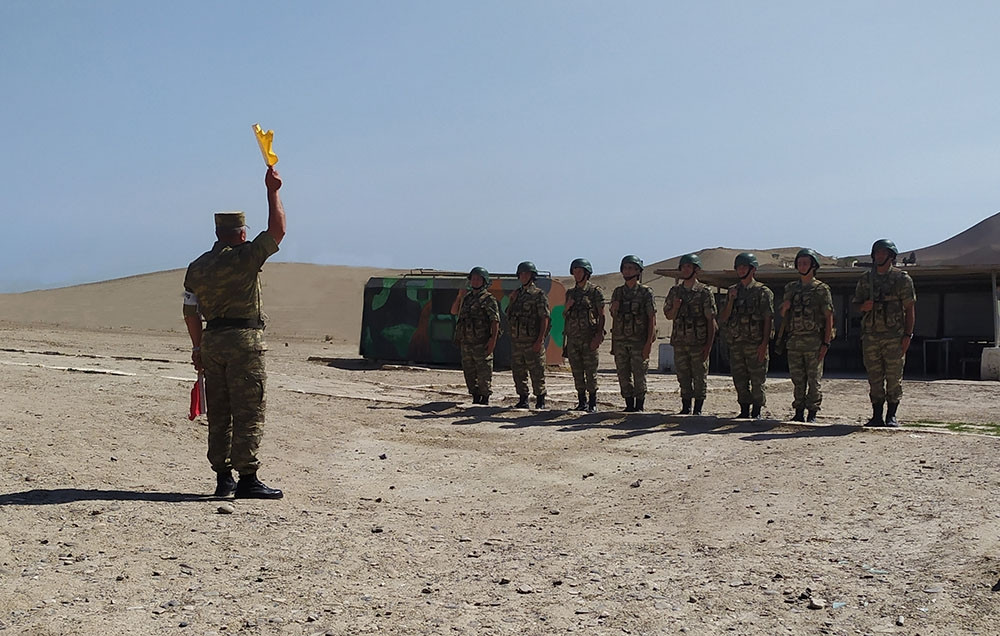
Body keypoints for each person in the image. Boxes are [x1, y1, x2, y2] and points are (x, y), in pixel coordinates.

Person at [183, 166, 286, 499]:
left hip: (212, 342)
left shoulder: (197, 266)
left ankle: (222, 478)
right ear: (242, 233)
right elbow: (278, 230)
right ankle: (248, 479)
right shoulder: (246, 258)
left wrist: (198, 349)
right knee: (248, 410)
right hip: (244, 343)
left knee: (220, 411)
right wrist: (273, 190)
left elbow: (189, 311)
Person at [852, 239, 916, 427]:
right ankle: (876, 415)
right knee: (874, 377)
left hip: (894, 336)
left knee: (894, 377)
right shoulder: (866, 279)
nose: (879, 256)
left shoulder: (902, 279)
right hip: (871, 336)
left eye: (883, 252)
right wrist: (863, 306)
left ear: (891, 256)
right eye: (877, 252)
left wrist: (908, 335)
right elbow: (856, 304)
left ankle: (892, 415)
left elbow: (910, 308)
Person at [779, 248, 834, 423]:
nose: (802, 266)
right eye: (800, 263)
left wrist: (826, 343)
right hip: (794, 341)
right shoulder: (791, 288)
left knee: (814, 380)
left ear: (813, 265)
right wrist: (785, 308)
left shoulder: (821, 289)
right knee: (797, 379)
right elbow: (782, 315)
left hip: (814, 342)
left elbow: (828, 317)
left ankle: (812, 412)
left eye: (806, 263)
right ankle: (798, 411)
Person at [719, 252, 773, 419]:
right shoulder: (733, 291)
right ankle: (743, 410)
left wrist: (764, 343)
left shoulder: (763, 292)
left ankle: (756, 411)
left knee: (757, 380)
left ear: (752, 269)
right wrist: (730, 301)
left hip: (755, 343)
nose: (741, 270)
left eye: (744, 267)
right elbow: (724, 317)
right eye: (739, 267)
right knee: (740, 380)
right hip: (737, 344)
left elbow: (768, 319)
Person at [664, 254, 717, 415]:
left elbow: (711, 321)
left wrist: (708, 345)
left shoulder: (704, 292)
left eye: (689, 266)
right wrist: (675, 307)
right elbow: (668, 315)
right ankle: (685, 407)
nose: (685, 269)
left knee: (699, 377)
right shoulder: (675, 291)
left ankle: (698, 409)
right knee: (683, 376)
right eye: (683, 267)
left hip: (698, 342)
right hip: (680, 341)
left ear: (696, 270)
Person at [610, 255, 656, 412]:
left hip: (639, 341)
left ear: (638, 271)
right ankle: (628, 405)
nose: (627, 271)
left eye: (631, 268)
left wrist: (648, 343)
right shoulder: (618, 292)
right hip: (621, 341)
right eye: (625, 268)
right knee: (623, 375)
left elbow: (652, 319)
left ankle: (639, 405)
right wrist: (614, 309)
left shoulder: (645, 293)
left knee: (639, 375)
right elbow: (614, 317)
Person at [451, 267, 500, 405]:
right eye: (473, 278)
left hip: (481, 342)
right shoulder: (467, 298)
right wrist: (459, 297)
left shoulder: (488, 299)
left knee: (484, 372)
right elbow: (454, 311)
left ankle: (484, 398)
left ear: (484, 281)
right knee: (469, 372)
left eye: (478, 279)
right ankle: (475, 396)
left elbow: (495, 321)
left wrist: (492, 341)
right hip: (466, 342)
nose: (475, 281)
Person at [562, 258, 606, 412]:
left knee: (590, 372)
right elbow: (564, 315)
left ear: (586, 273)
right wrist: (567, 307)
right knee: (577, 372)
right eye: (574, 271)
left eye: (579, 271)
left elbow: (601, 316)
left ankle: (593, 402)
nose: (576, 274)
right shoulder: (570, 293)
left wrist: (598, 336)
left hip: (589, 339)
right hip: (573, 339)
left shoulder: (594, 292)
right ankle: (582, 401)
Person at [506, 261, 550, 409]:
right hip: (518, 341)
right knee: (519, 373)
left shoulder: (538, 295)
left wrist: (540, 339)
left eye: (527, 273)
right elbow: (509, 314)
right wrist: (512, 300)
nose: (523, 276)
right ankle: (523, 398)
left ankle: (540, 400)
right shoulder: (517, 294)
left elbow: (544, 318)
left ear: (532, 276)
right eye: (521, 274)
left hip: (532, 341)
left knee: (537, 372)